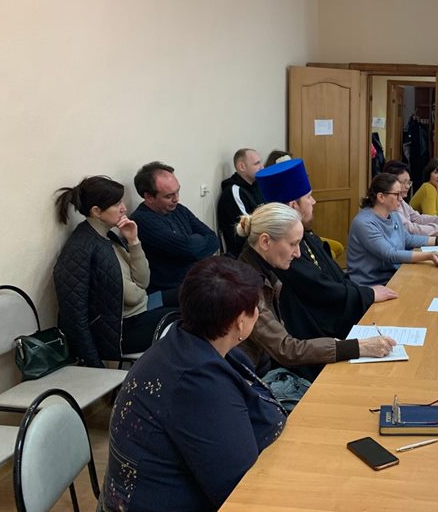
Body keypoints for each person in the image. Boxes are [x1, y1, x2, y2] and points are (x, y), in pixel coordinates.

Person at [101, 257, 287, 511]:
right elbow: (240, 491)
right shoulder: (197, 382)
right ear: (240, 322)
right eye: (257, 308)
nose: (258, 313)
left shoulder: (186, 343)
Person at [236, 202, 396, 383]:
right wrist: (359, 347)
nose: (298, 254)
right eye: (293, 244)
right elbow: (286, 350)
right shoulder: (246, 287)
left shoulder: (265, 266)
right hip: (254, 379)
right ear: (265, 241)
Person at [254, 158, 397, 343]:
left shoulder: (306, 236)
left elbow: (336, 275)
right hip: (316, 335)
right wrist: (367, 295)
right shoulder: (281, 249)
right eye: (308, 197)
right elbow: (319, 289)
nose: (314, 201)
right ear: (293, 205)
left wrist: (363, 293)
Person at [53, 176, 177, 366]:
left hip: (142, 307)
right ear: (96, 211)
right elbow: (74, 315)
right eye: (117, 203)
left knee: (198, 296)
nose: (124, 208)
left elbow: (143, 282)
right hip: (121, 330)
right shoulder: (80, 249)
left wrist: (133, 241)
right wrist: (94, 363)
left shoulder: (108, 236)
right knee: (193, 318)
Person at [347, 173, 438, 287]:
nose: (401, 199)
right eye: (397, 194)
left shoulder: (393, 214)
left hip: (395, 274)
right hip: (372, 285)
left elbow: (407, 239)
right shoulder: (364, 223)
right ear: (381, 197)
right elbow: (390, 254)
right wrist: (428, 256)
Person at [131, 161, 219, 298]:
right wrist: (194, 242)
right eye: (169, 196)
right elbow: (189, 249)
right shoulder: (142, 221)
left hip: (193, 283)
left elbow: (213, 239)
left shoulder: (179, 209)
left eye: (177, 191)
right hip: (165, 293)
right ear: (148, 197)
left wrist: (191, 243)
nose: (176, 199)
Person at [383, 160, 438, 236]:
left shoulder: (401, 201)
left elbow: (417, 218)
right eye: (403, 182)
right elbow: (410, 229)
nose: (407, 186)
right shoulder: (389, 205)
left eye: (408, 182)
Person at [217, 148, 265, 257]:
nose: (262, 167)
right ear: (242, 167)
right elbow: (246, 229)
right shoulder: (233, 192)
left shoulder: (257, 185)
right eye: (257, 163)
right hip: (245, 254)